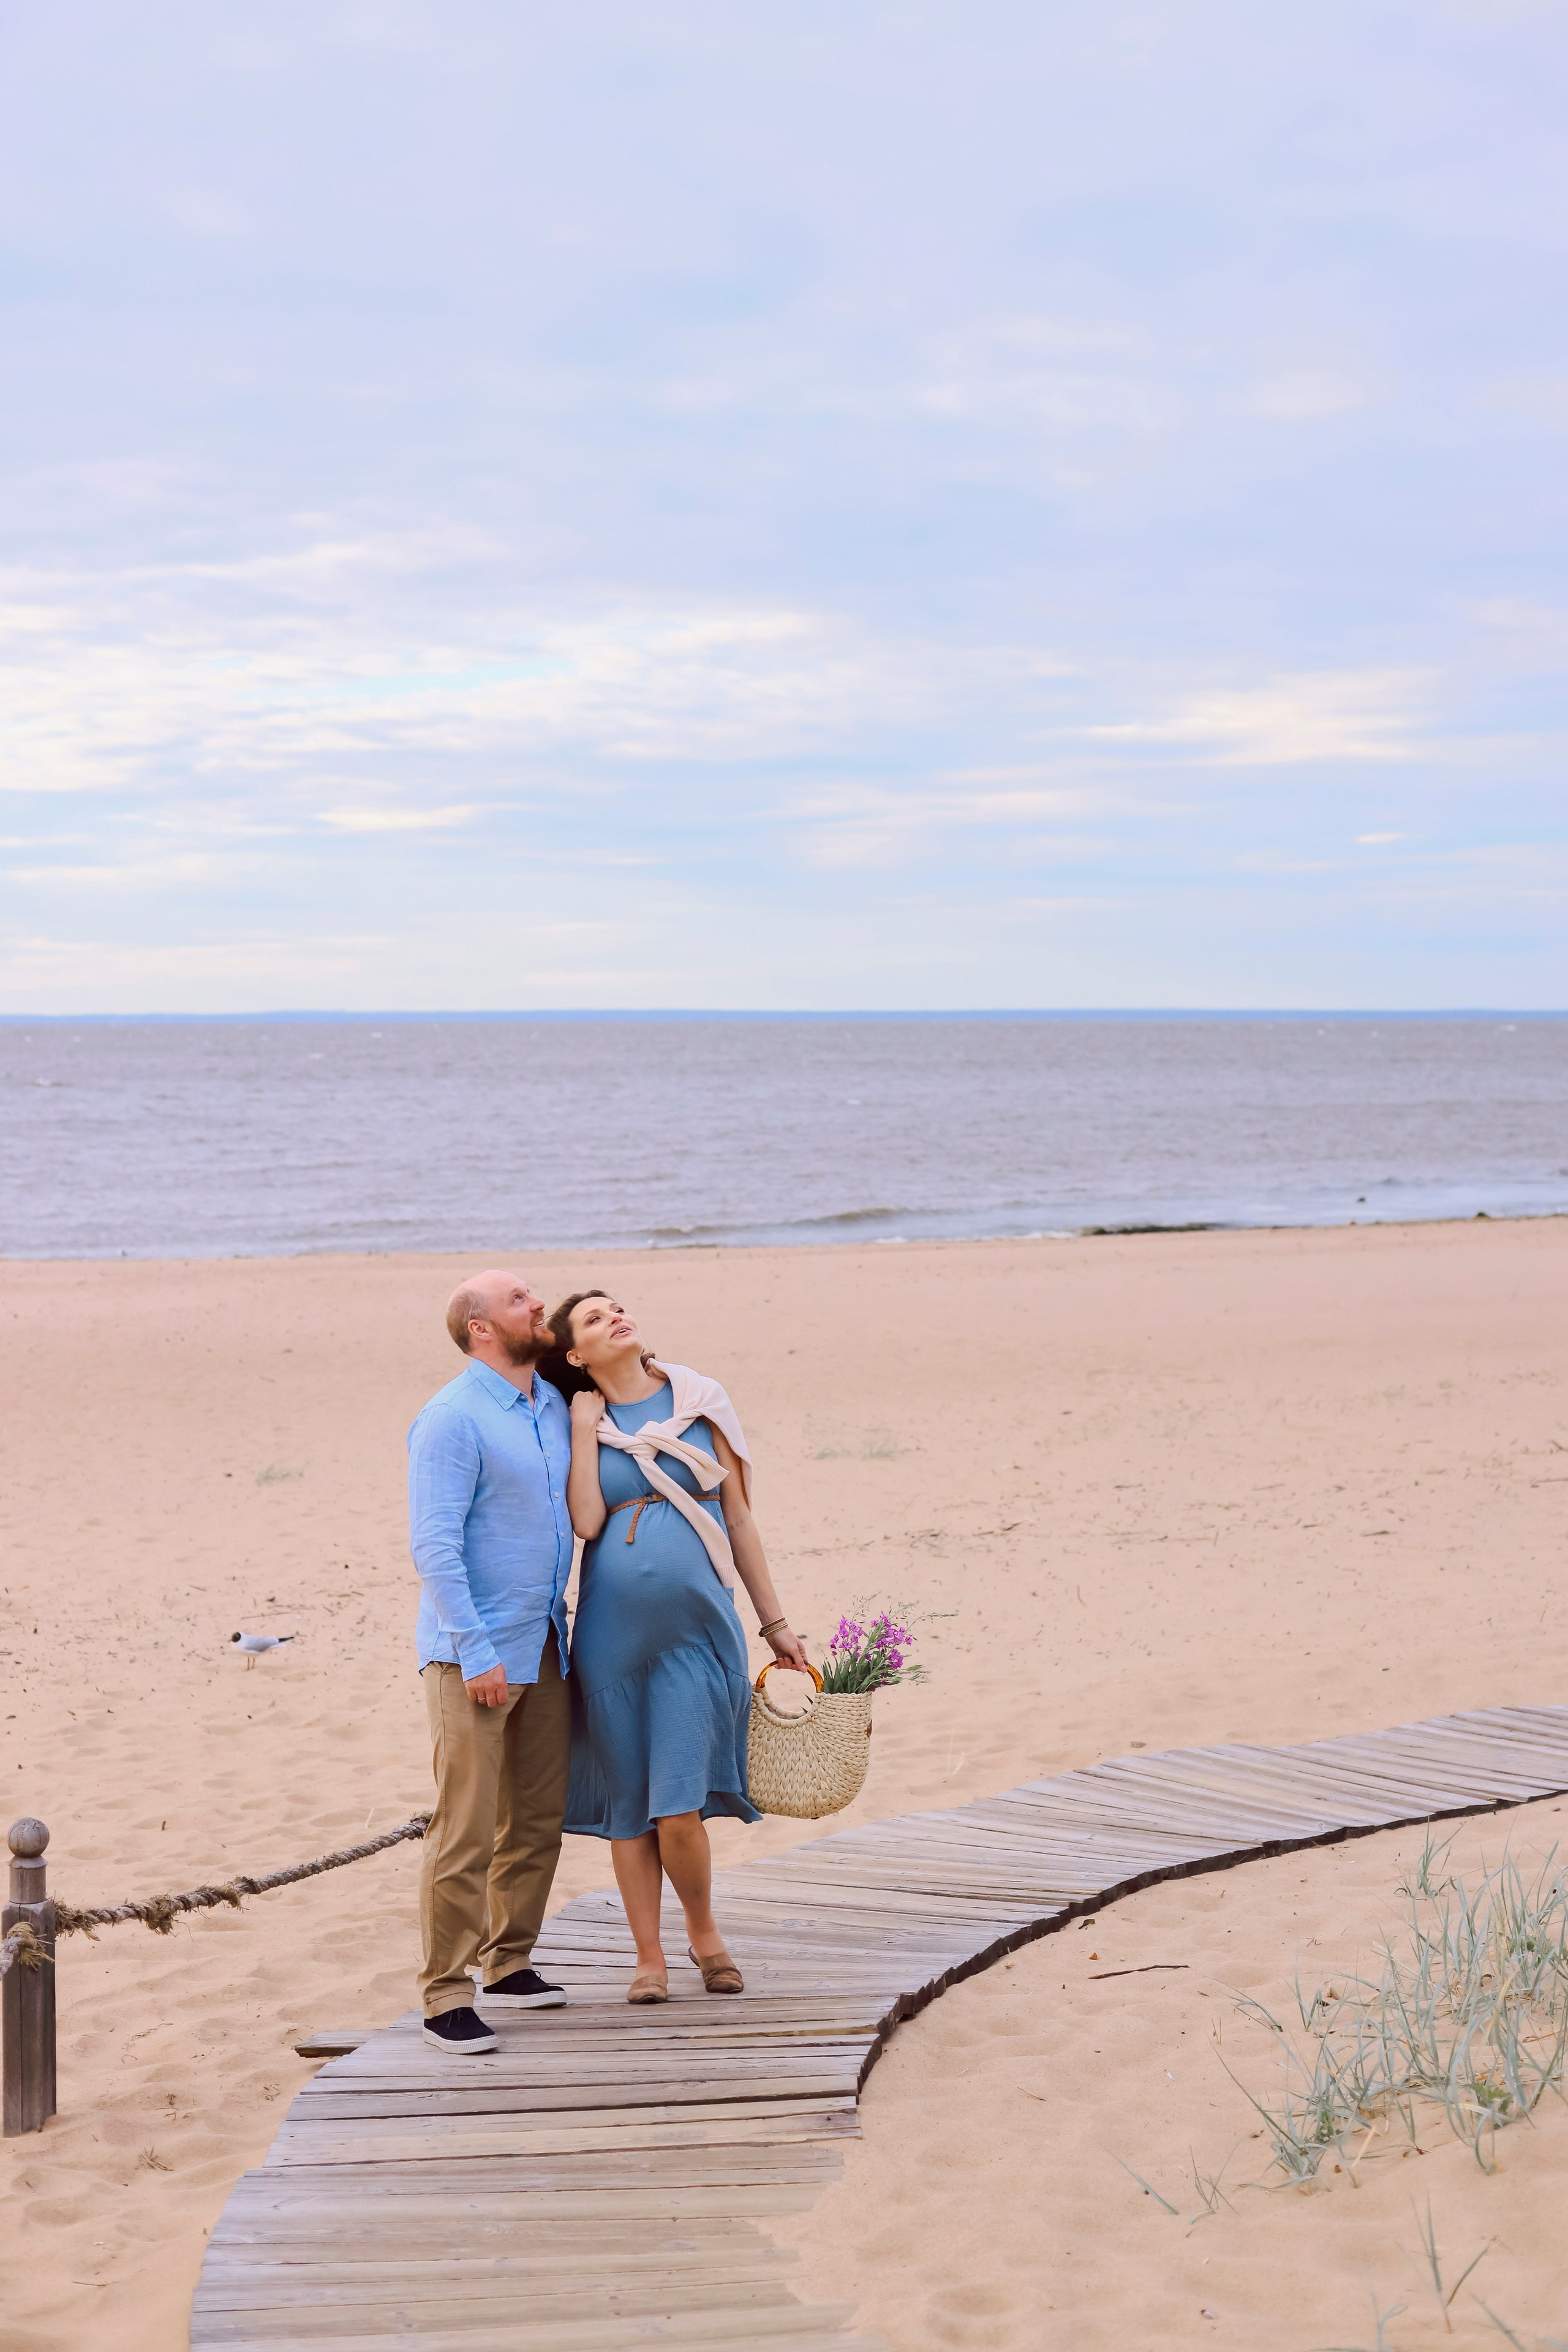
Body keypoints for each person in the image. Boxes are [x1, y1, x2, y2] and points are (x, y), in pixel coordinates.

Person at [543, 1289, 810, 2004]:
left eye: (617, 1308)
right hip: (611, 1639)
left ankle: (705, 1936)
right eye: (595, 1319)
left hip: (699, 1632)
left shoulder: (699, 1398)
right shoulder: (585, 1423)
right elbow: (589, 1523)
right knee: (631, 1808)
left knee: (678, 1805)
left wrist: (773, 1622)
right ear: (575, 1355)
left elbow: (742, 1519)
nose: (616, 1318)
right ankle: (648, 1958)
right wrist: (580, 1431)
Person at [407, 1270, 574, 2054]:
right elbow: (434, 1548)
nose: (537, 1304)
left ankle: (509, 1962)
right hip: (472, 1653)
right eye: (518, 1300)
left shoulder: (552, 1405)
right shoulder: (451, 1417)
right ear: (479, 1328)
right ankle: (446, 1995)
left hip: (545, 1640)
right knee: (465, 1828)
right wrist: (475, 1653)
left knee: (536, 1820)